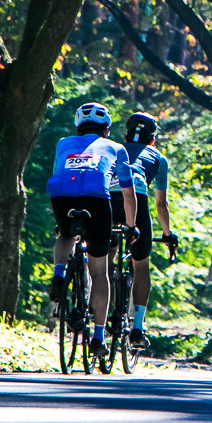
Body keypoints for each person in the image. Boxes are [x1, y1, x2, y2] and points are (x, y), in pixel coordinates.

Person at [47, 102, 136, 359]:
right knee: (99, 270)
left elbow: (58, 174)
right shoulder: (117, 148)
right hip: (96, 199)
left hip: (61, 197)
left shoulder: (63, 143)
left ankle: (59, 274)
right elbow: (128, 194)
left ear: (78, 126)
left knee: (65, 235)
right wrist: (131, 227)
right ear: (106, 129)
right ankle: (98, 336)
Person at [111, 112, 176, 349]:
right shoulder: (158, 158)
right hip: (136, 200)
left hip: (108, 199)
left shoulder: (114, 149)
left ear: (125, 136)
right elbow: (161, 204)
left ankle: (96, 304)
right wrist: (167, 234)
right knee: (141, 266)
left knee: (103, 257)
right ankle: (137, 327)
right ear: (152, 140)